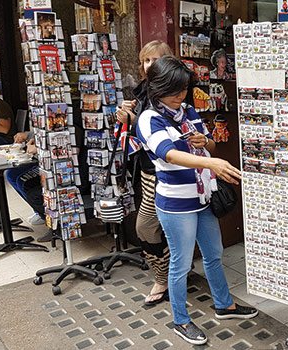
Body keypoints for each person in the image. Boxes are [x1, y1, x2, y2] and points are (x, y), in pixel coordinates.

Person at [136, 56, 256, 345]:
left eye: (184, 89)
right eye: (175, 90)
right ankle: (181, 320)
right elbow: (168, 154)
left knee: (214, 255)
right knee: (180, 263)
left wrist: (207, 145)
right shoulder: (149, 119)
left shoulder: (187, 111)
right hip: (176, 204)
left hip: (203, 197)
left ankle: (224, 305)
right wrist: (212, 164)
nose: (181, 95)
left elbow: (209, 142)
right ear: (157, 87)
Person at [115, 40, 174, 306]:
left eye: (155, 59)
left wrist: (133, 120)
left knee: (146, 226)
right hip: (148, 168)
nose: (150, 65)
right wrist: (124, 117)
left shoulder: (174, 88)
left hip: (170, 169)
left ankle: (164, 278)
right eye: (146, 61)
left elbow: (169, 127)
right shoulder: (142, 90)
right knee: (156, 226)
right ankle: (169, 276)